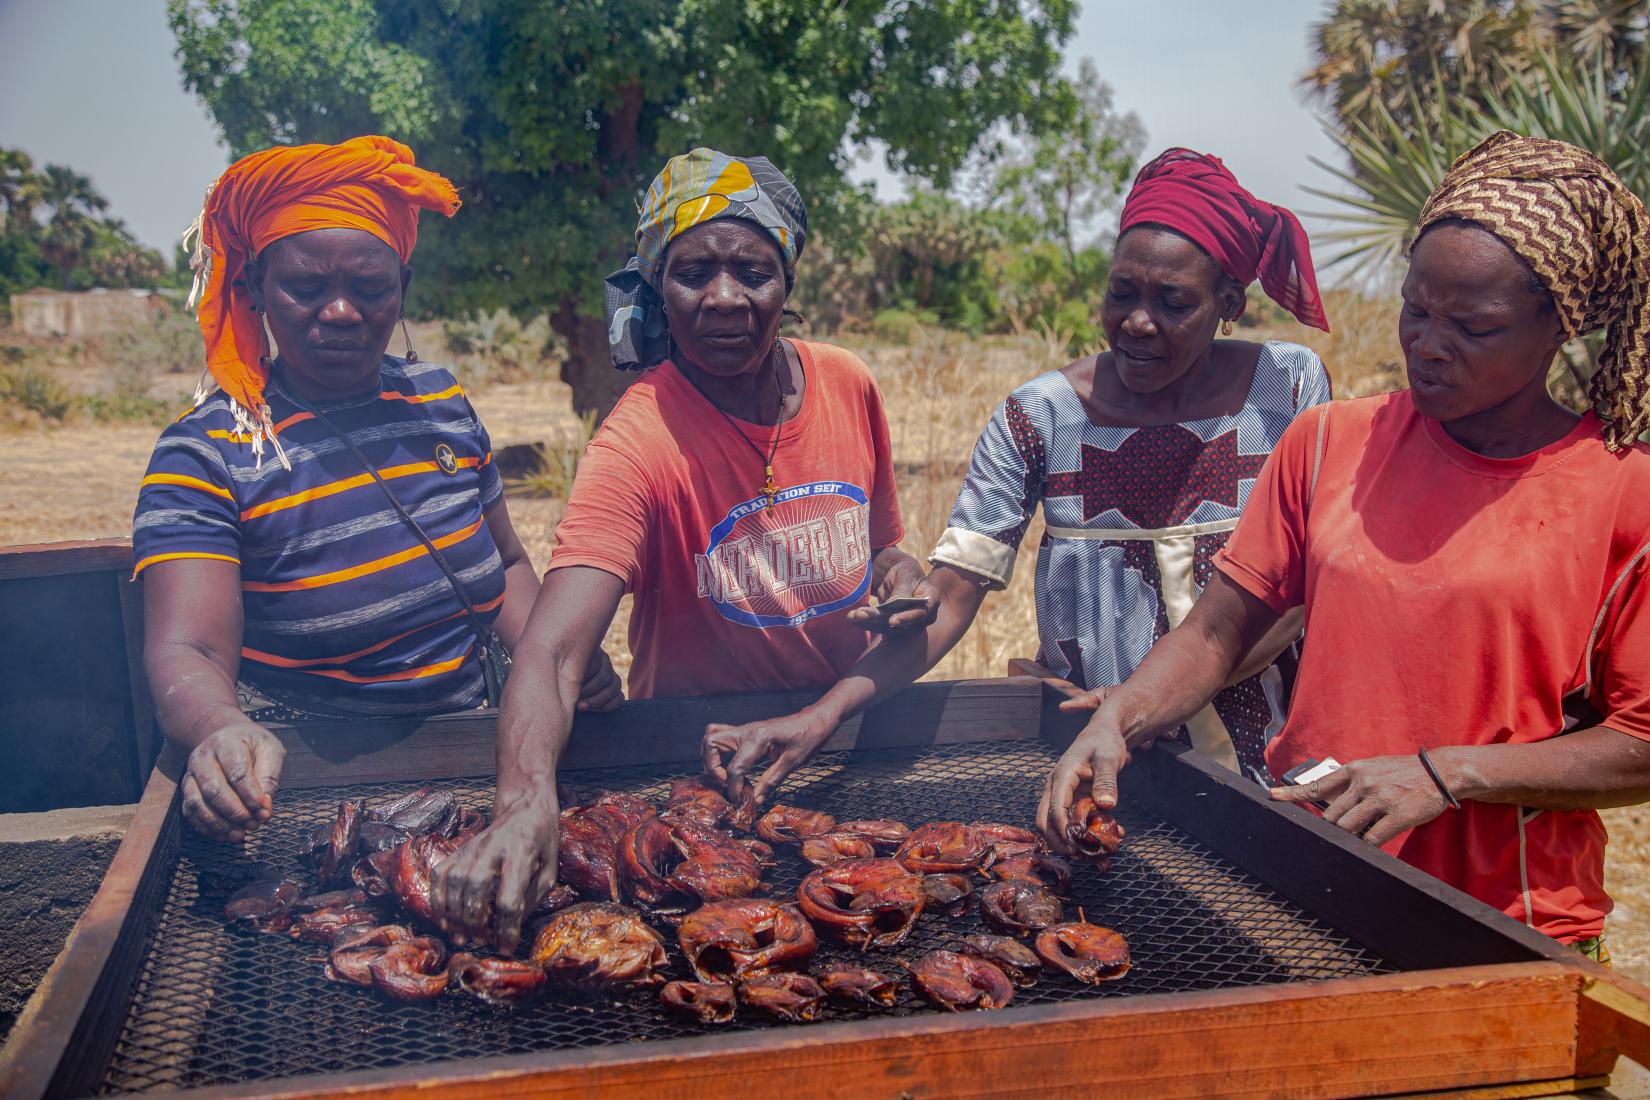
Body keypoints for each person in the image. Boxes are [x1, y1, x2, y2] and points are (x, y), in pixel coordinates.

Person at [1040, 131, 1650, 957]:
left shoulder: (1623, 491)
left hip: (1509, 929)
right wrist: (1122, 714)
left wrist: (1448, 774)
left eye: (1473, 326)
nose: (1428, 343)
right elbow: (1220, 632)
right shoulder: (1332, 443)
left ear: (1560, 328)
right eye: (1417, 309)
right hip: (1309, 891)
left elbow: (1640, 745)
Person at [700, 148, 1333, 801]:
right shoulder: (1040, 417)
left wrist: (1145, 699)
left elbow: (1301, 589)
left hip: (1270, 766)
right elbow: (949, 596)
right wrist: (821, 715)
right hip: (1097, 768)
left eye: (1173, 302)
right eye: (1121, 292)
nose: (1137, 321)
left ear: (1229, 302)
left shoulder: (1286, 389)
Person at [430, 148, 927, 949]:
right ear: (657, 283)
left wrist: (904, 576)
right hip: (709, 773)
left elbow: (885, 551)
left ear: (788, 279)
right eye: (694, 272)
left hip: (844, 738)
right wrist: (525, 803)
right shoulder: (640, 436)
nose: (724, 299)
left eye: (753, 272)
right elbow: (554, 650)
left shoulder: (847, 383)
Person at [135, 136, 619, 845]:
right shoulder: (207, 453)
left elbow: (508, 563)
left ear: (403, 290)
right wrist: (219, 729)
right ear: (254, 288)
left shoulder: (442, 405)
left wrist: (551, 662)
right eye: (306, 287)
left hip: (475, 754)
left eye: (369, 289)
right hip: (308, 790)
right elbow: (192, 651)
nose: (339, 312)